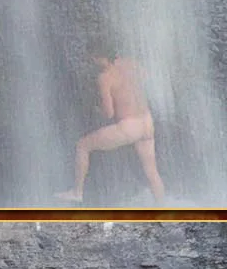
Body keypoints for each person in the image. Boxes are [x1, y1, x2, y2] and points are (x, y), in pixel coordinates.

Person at [56, 38, 165, 204]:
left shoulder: (105, 77)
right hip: (146, 121)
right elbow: (146, 77)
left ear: (99, 56)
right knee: (152, 171)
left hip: (129, 126)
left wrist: (96, 108)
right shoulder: (131, 63)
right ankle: (163, 207)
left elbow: (109, 113)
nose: (92, 61)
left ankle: (77, 192)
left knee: (83, 146)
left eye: (93, 57)